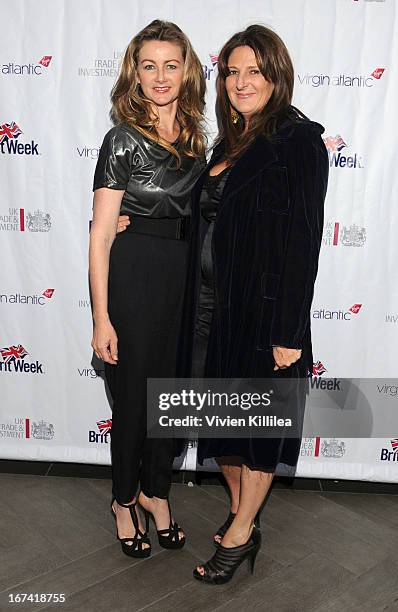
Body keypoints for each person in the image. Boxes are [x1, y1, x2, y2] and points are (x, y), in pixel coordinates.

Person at [176, 24, 329, 584]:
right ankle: (245, 515)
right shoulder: (229, 140)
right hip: (215, 310)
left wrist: (288, 331)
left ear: (276, 76)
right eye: (232, 71)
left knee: (259, 428)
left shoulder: (298, 141)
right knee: (223, 425)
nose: (241, 82)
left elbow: (304, 240)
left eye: (254, 72)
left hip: (265, 317)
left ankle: (240, 534)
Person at [89, 19, 205, 558]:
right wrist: (101, 318)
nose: (160, 75)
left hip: (184, 275)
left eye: (171, 64)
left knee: (172, 396)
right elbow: (101, 237)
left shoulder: (196, 137)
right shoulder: (121, 140)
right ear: (134, 73)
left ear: (187, 72)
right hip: (134, 275)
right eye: (149, 64)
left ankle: (156, 492)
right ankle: (122, 499)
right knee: (135, 398)